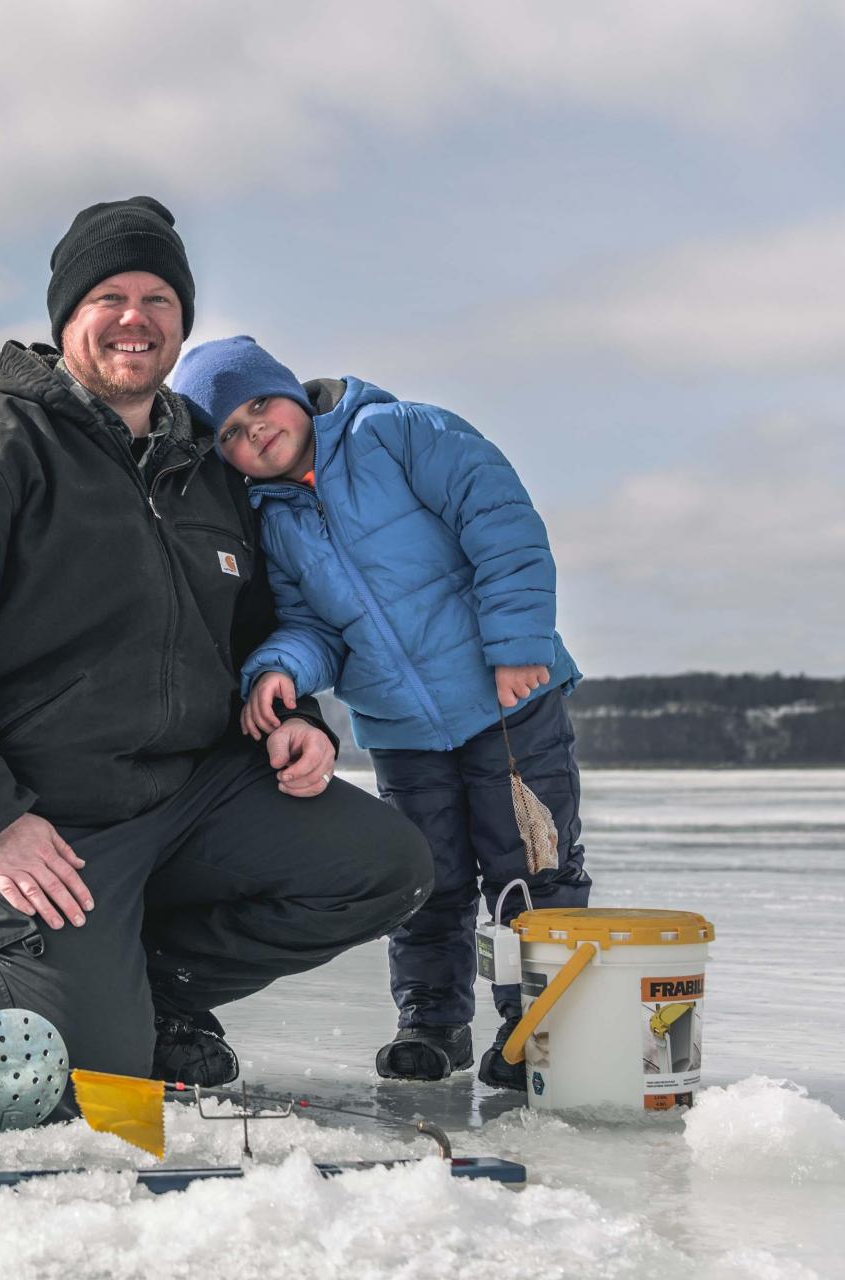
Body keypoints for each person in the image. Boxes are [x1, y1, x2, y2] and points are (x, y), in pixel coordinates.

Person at [0, 198, 433, 1108]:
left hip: (185, 795)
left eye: (158, 296)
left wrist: (293, 714)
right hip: (35, 815)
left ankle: (149, 990)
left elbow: (254, 628)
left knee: (387, 866)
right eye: (107, 295)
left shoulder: (206, 466)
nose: (134, 316)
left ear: (181, 322)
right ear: (66, 317)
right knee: (74, 1092)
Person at [172, 335, 592, 1089]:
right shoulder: (270, 519)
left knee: (532, 869)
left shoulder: (397, 432)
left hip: (508, 702)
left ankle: (540, 1029)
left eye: (259, 405)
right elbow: (312, 626)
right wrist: (280, 668)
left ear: (289, 392)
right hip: (402, 732)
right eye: (230, 431)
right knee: (430, 881)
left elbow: (502, 523)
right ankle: (431, 1025)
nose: (253, 431)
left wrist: (517, 644)